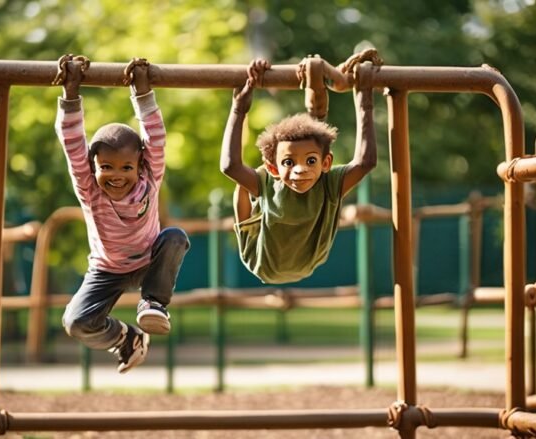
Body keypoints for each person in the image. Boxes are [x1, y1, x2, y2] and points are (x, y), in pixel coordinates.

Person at [53, 55, 189, 374]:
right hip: (106, 269)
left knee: (175, 237)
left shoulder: (150, 179)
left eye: (126, 167)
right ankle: (125, 339)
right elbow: (72, 143)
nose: (116, 175)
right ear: (93, 167)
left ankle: (154, 303)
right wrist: (71, 92)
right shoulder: (89, 188)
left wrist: (142, 91)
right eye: (106, 167)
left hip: (149, 260)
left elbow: (156, 136)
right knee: (75, 322)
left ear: (140, 164)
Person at [220, 58, 377, 284]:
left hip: (308, 260)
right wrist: (239, 108)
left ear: (326, 163)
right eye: (288, 163)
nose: (300, 170)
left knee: (313, 140)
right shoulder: (268, 181)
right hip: (263, 262)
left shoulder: (329, 182)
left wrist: (365, 99)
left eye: (311, 161)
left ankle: (316, 95)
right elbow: (230, 166)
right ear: (274, 168)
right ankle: (316, 101)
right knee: (244, 186)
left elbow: (365, 162)